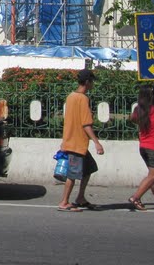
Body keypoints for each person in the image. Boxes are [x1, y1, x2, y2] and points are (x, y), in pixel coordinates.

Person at [57, 68, 104, 212]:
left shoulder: (71, 96)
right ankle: (64, 202)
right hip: (76, 143)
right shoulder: (83, 99)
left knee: (89, 168)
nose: (93, 85)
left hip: (72, 141)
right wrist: (97, 142)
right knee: (72, 174)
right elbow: (86, 124)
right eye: (92, 82)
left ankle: (80, 197)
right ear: (88, 82)